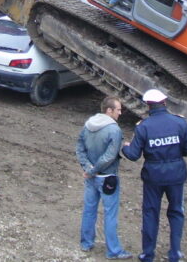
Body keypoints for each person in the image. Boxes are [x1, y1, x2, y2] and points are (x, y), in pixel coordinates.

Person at [121, 89, 187, 262]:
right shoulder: (179, 123)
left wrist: (125, 146)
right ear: (164, 103)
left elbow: (133, 155)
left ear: (148, 106)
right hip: (176, 175)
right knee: (177, 212)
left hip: (153, 177)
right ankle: (175, 253)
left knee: (150, 213)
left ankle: (148, 254)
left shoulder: (144, 127)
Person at [76, 96, 133, 260]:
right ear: (109, 110)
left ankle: (86, 243)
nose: (120, 113)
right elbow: (110, 156)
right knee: (110, 214)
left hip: (91, 178)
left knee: (89, 210)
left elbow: (79, 147)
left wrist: (87, 168)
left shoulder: (89, 124)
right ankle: (113, 250)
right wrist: (94, 170)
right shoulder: (114, 130)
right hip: (108, 178)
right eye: (118, 110)